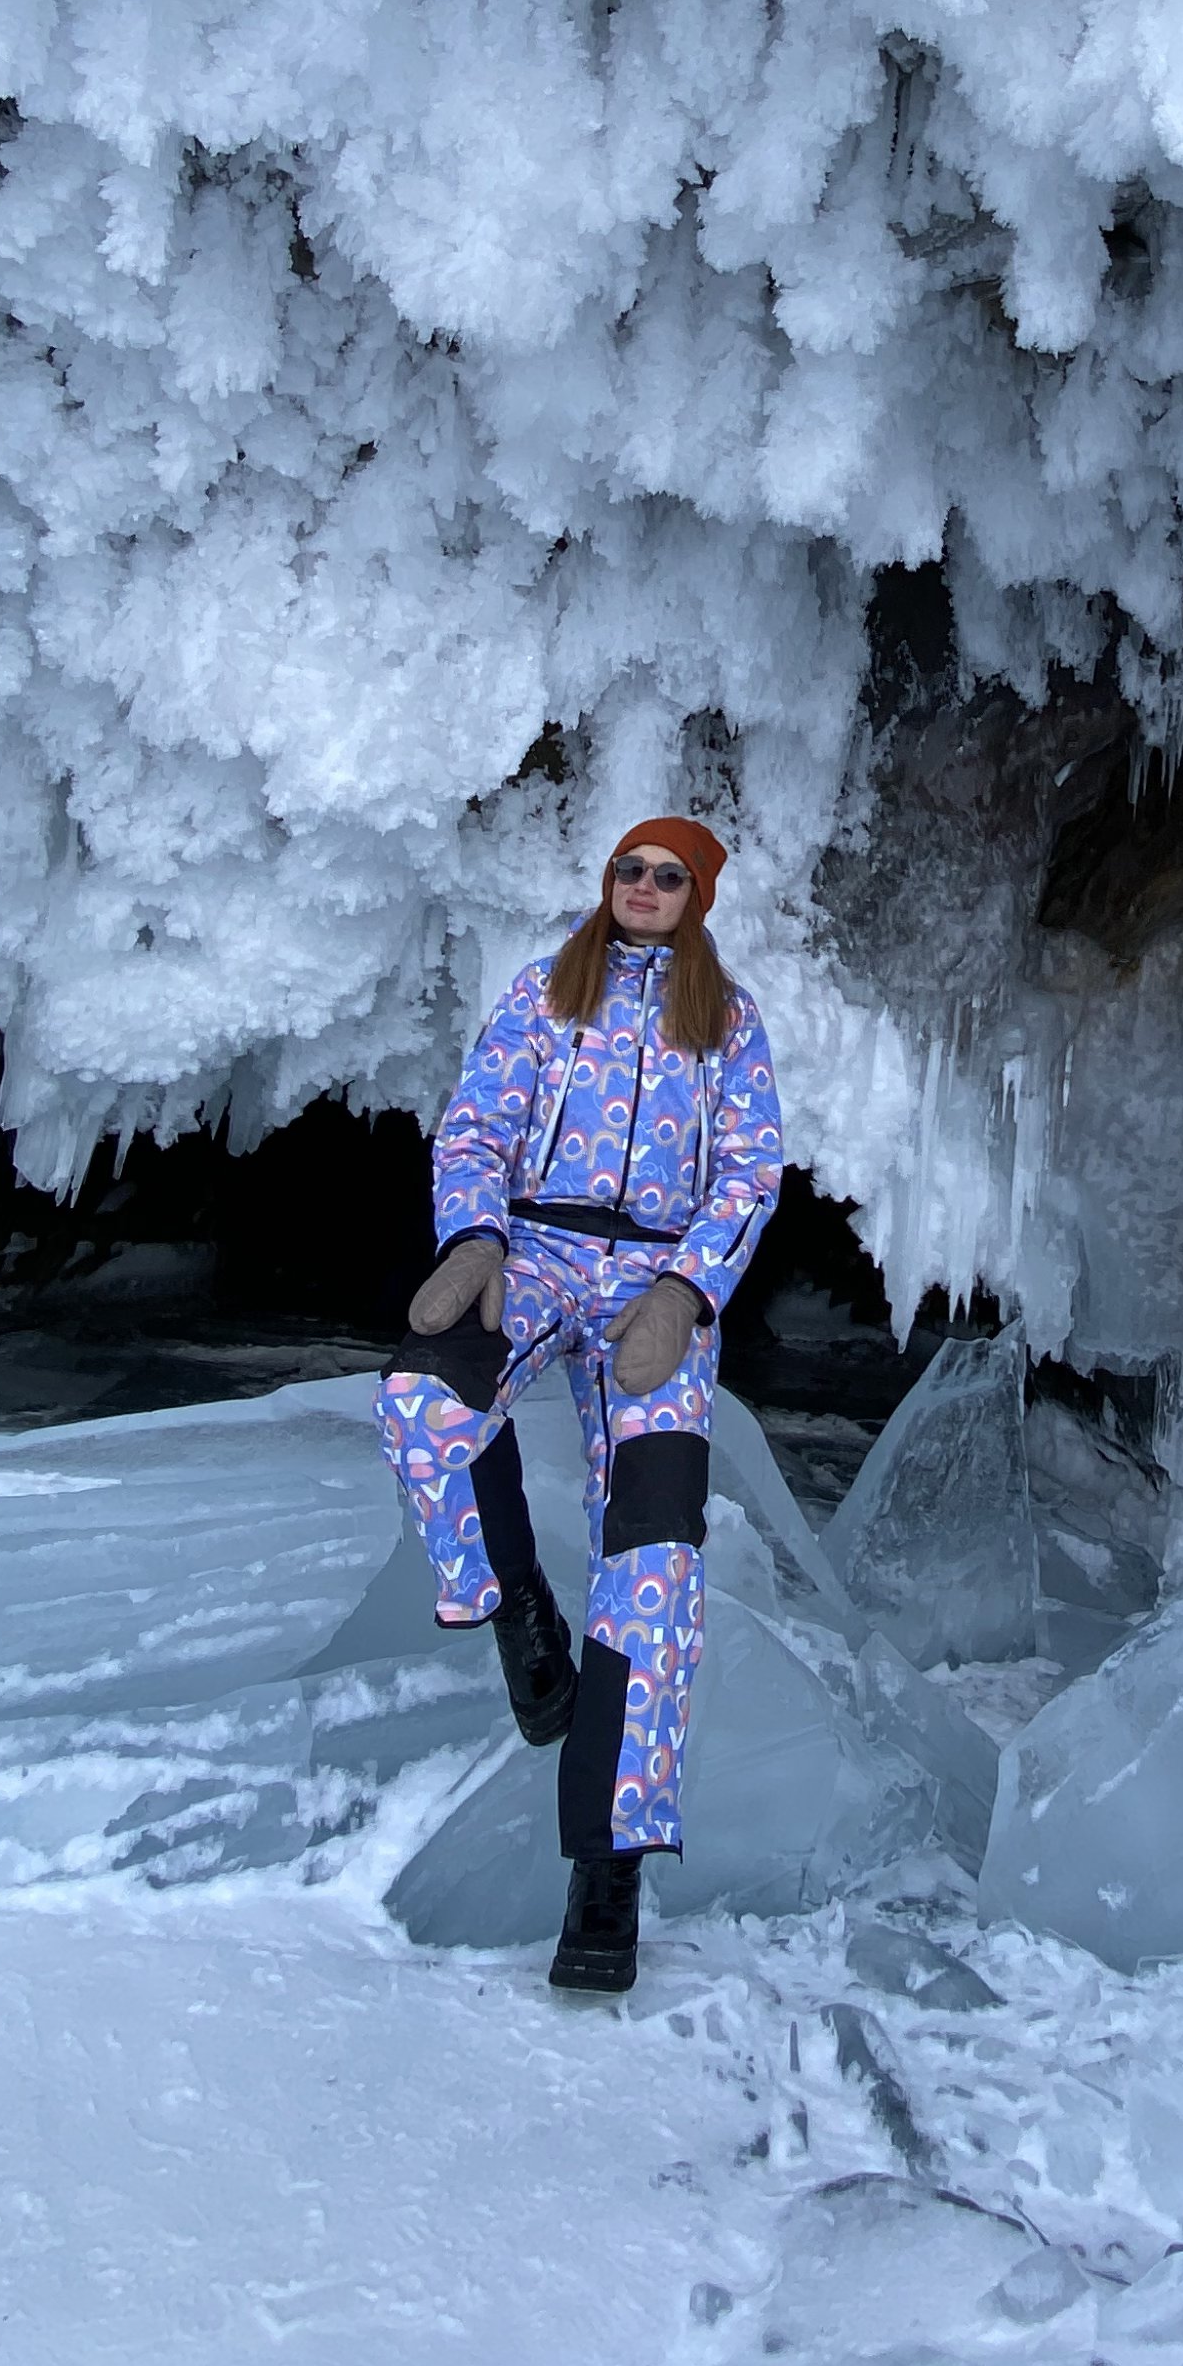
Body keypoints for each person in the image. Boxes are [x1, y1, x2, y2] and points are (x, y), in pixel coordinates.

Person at [377, 818, 783, 1995]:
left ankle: (606, 1873)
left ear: (696, 896)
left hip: (654, 1285)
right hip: (537, 1255)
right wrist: (476, 1236)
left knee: (655, 1568)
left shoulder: (729, 1017)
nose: (645, 889)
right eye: (630, 870)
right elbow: (478, 1121)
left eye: (669, 876)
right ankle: (519, 1620)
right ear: (608, 884)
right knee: (420, 1403)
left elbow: (752, 1172)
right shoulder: (548, 986)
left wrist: (686, 1289)